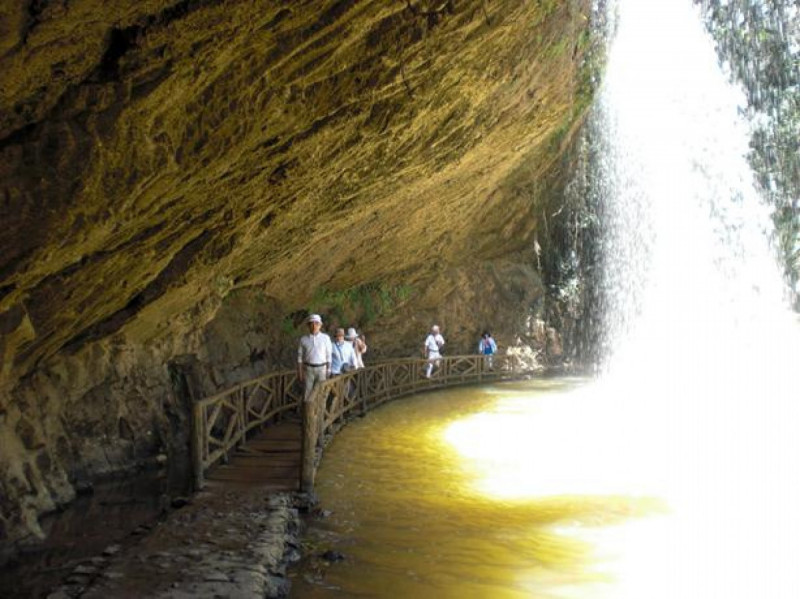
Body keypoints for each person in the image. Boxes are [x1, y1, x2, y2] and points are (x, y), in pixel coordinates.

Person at [297, 314, 332, 402]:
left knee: (321, 392)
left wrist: (329, 369)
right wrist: (300, 372)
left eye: (316, 323)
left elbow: (329, 355)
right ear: (308, 325)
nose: (314, 326)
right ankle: (308, 414)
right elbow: (300, 357)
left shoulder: (325, 338)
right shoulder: (303, 339)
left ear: (320, 325)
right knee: (307, 392)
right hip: (308, 368)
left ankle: (320, 413)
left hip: (322, 368)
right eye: (311, 324)